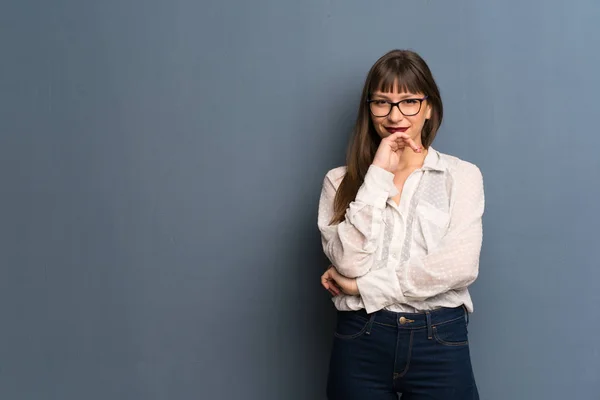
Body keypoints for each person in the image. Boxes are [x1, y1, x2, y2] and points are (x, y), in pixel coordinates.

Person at [318, 49, 484, 399]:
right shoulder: (339, 181)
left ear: (429, 108)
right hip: (360, 338)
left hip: (438, 338)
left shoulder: (461, 176)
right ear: (370, 109)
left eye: (409, 101)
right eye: (382, 102)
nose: (395, 115)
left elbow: (459, 267)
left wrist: (361, 288)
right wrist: (377, 173)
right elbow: (349, 262)